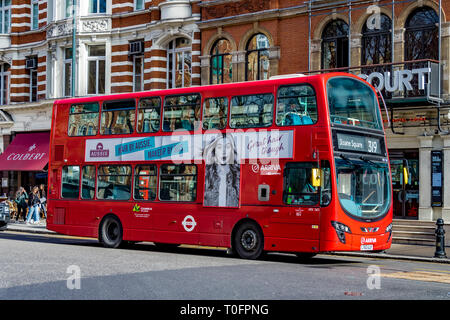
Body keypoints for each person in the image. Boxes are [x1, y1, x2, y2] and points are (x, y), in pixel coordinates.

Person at [203, 133, 240, 207]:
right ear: (214, 151)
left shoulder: (238, 175)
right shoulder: (207, 174)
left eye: (227, 147)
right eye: (219, 147)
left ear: (232, 150)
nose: (224, 151)